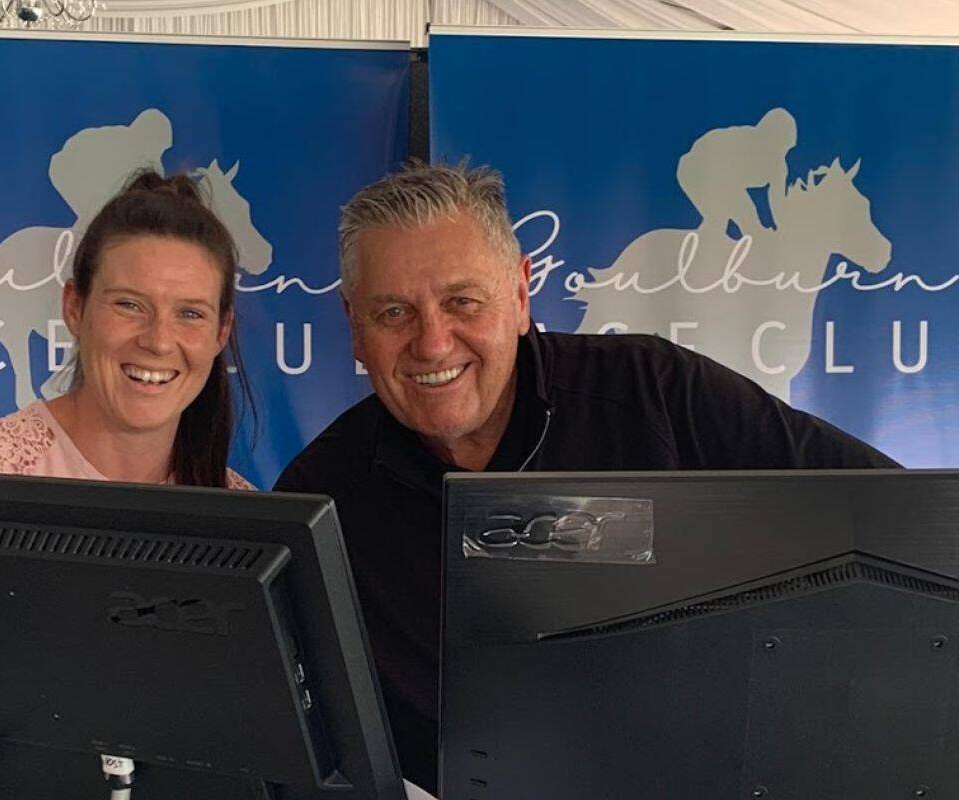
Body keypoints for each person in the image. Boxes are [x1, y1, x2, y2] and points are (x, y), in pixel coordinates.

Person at [273, 161, 899, 794]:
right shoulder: (319, 497)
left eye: (462, 302)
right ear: (355, 327)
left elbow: (896, 516)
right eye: (393, 312)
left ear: (520, 295)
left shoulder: (657, 394)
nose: (433, 343)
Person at [0, 170, 253, 490]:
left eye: (190, 313)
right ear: (74, 307)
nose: (159, 341)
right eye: (129, 305)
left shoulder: (245, 512)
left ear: (222, 331)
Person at [676, 106, 797, 238]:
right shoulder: (746, 142)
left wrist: (784, 228)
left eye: (786, 148)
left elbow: (777, 201)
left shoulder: (778, 167)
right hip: (694, 169)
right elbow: (735, 197)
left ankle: (709, 237)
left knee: (724, 219)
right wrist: (754, 227)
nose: (782, 153)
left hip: (718, 176)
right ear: (767, 137)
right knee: (730, 217)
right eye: (779, 145)